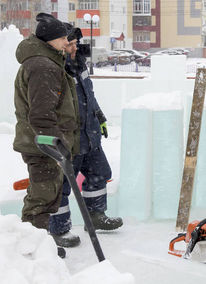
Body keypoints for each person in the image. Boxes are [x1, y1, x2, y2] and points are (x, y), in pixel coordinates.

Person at [49, 24, 123, 248]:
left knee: (99, 173)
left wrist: (98, 117)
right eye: (69, 44)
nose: (73, 48)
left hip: (89, 133)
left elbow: (88, 94)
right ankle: (59, 229)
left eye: (75, 44)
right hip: (69, 137)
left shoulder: (78, 63)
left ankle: (96, 216)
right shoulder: (55, 68)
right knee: (61, 184)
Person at [13, 12, 79, 259]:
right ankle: (30, 252)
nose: (66, 42)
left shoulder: (44, 61)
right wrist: (56, 145)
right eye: (62, 38)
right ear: (49, 40)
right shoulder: (43, 66)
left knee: (47, 197)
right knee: (41, 198)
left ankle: (38, 246)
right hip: (43, 145)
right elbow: (41, 115)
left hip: (42, 143)